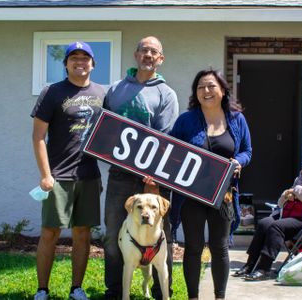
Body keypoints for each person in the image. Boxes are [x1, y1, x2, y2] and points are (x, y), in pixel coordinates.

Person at [102, 36, 179, 300]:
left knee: (160, 237)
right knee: (113, 233)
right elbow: (105, 130)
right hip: (119, 176)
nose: (148, 54)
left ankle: (162, 293)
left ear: (160, 59)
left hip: (152, 179)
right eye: (144, 50)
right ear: (136, 55)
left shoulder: (166, 94)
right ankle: (114, 291)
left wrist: (154, 180)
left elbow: (166, 138)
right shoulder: (115, 89)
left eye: (153, 51)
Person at [31, 41, 105, 300]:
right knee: (50, 231)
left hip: (89, 174)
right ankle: (42, 289)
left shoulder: (102, 93)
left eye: (85, 57)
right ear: (65, 64)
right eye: (74, 57)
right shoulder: (52, 92)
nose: (80, 61)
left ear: (93, 64)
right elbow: (38, 137)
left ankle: (77, 288)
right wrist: (45, 174)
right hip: (58, 176)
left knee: (83, 232)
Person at [170, 68, 252, 299]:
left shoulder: (237, 119)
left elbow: (247, 150)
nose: (206, 91)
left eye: (211, 86)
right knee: (194, 248)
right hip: (191, 194)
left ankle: (219, 296)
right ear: (195, 93)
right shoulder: (186, 121)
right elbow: (171, 152)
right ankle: (193, 296)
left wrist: (239, 162)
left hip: (223, 194)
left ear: (223, 90)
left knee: (220, 247)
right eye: (200, 87)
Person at [233, 146, 302, 281]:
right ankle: (250, 264)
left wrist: (296, 191)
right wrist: (287, 195)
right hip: (289, 213)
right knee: (264, 223)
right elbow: (282, 202)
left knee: (277, 227)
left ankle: (264, 268)